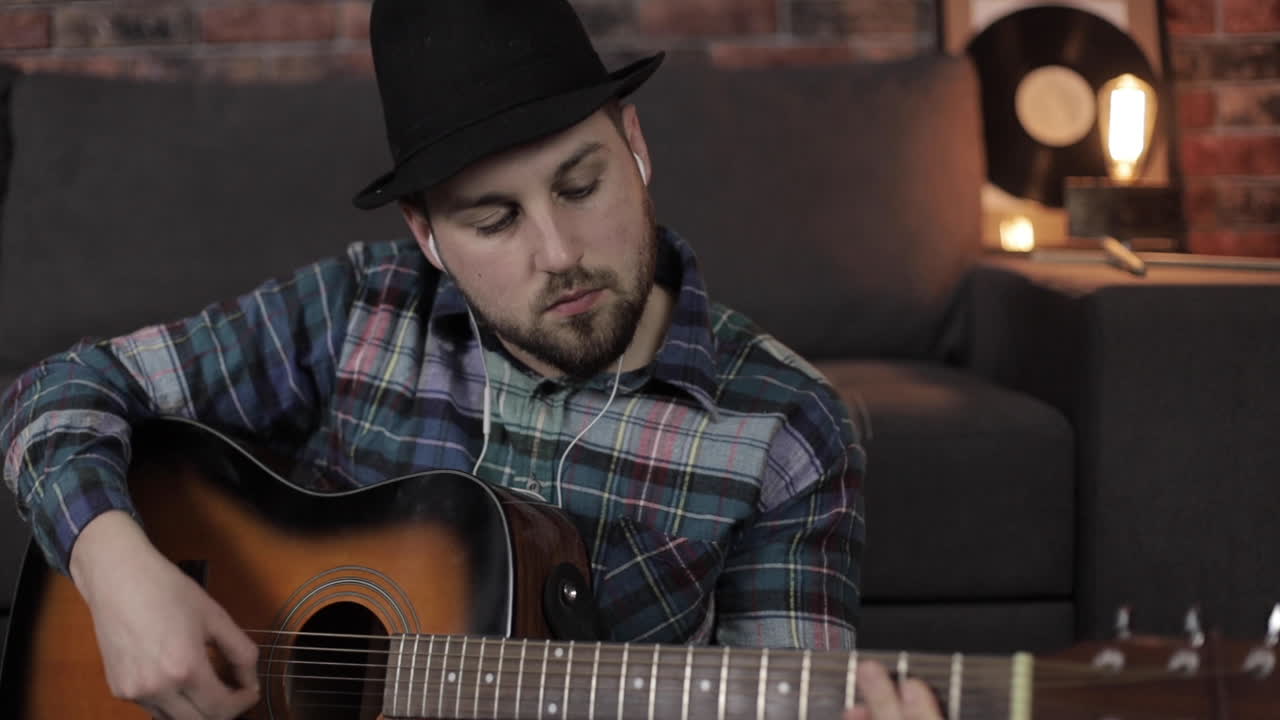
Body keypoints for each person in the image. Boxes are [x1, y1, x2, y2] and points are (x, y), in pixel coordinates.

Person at [0, 1, 941, 719]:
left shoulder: (786, 430)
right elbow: (58, 391)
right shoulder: (360, 308)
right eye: (493, 219)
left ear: (637, 145)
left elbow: (786, 689)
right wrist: (115, 568)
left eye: (582, 184)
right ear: (428, 234)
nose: (560, 251)